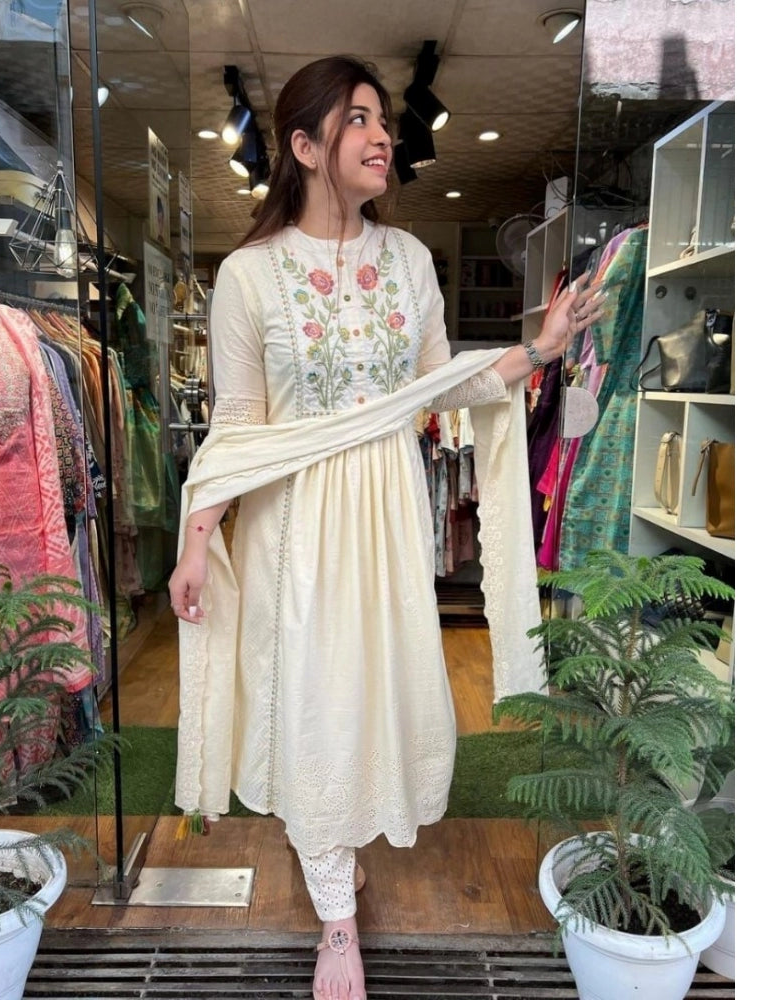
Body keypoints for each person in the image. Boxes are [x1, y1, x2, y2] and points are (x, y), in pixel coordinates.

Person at [167, 55, 603, 1000]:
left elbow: (444, 386)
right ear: (303, 145)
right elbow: (235, 429)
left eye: (382, 118)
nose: (381, 135)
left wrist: (539, 349)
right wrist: (197, 540)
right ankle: (336, 915)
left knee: (374, 689)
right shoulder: (248, 275)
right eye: (357, 118)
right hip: (295, 522)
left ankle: (337, 845)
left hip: (390, 514)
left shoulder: (408, 262)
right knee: (313, 697)